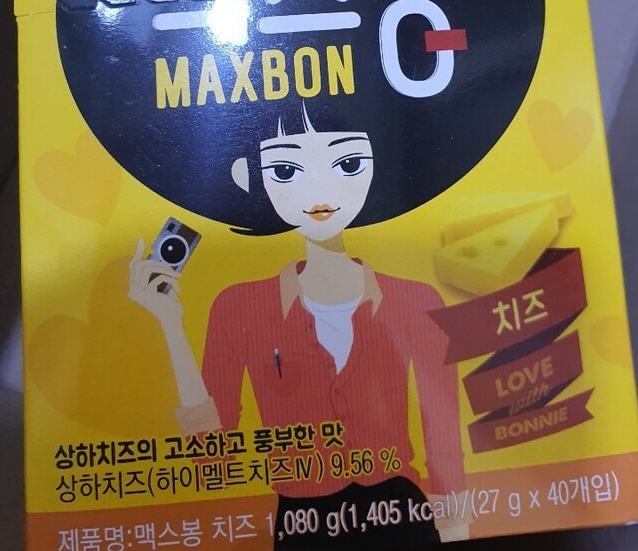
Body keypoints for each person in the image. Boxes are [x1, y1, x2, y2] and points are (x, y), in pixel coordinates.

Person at [130, 104, 468, 546]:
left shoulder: (416, 300)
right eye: (287, 171)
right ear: (255, 178)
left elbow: (443, 436)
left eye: (347, 164)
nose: (320, 190)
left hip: (402, 515)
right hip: (302, 524)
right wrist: (171, 325)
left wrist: (457, 532)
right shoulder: (238, 307)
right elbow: (212, 456)